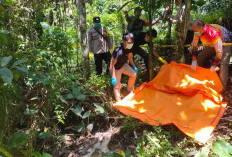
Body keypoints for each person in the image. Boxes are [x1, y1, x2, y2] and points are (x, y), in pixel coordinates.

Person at [190, 19, 232, 89]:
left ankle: (221, 89)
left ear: (202, 28)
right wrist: (194, 60)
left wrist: (215, 65)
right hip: (212, 44)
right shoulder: (197, 32)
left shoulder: (213, 33)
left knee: (223, 65)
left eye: (196, 31)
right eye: (194, 31)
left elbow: (219, 52)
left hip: (225, 42)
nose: (195, 33)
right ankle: (203, 75)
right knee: (200, 57)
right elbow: (194, 45)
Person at [110, 33, 138, 101]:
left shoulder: (129, 48)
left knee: (133, 74)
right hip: (116, 68)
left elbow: (130, 57)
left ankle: (129, 89)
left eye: (132, 42)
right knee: (117, 85)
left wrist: (134, 66)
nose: (130, 44)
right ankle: (119, 101)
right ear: (124, 41)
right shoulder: (118, 51)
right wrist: (113, 76)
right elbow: (112, 64)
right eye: (129, 42)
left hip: (123, 65)